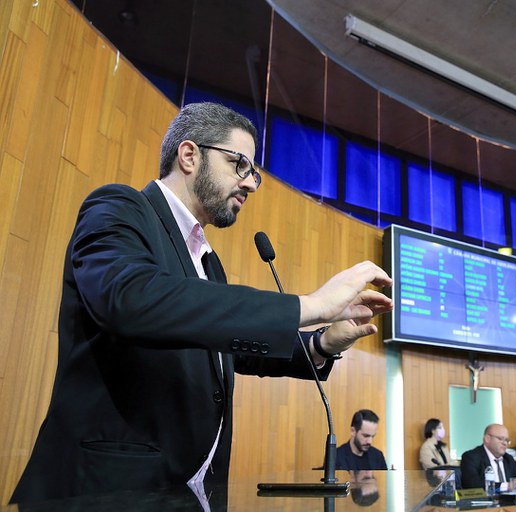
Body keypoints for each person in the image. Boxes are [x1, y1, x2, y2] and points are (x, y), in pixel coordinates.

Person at [10, 102, 393, 504]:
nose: (250, 184)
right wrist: (310, 305)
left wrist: (321, 344)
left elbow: (224, 349)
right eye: (239, 165)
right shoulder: (118, 207)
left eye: (253, 173)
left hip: (187, 495)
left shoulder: (209, 263)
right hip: (105, 493)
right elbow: (130, 299)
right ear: (190, 155)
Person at [460, 424, 516, 491]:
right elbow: (472, 485)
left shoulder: (508, 459)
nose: (505, 443)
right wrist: (506, 486)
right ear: (487, 439)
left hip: (510, 497)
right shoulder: (471, 457)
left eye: (507, 440)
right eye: (500, 439)